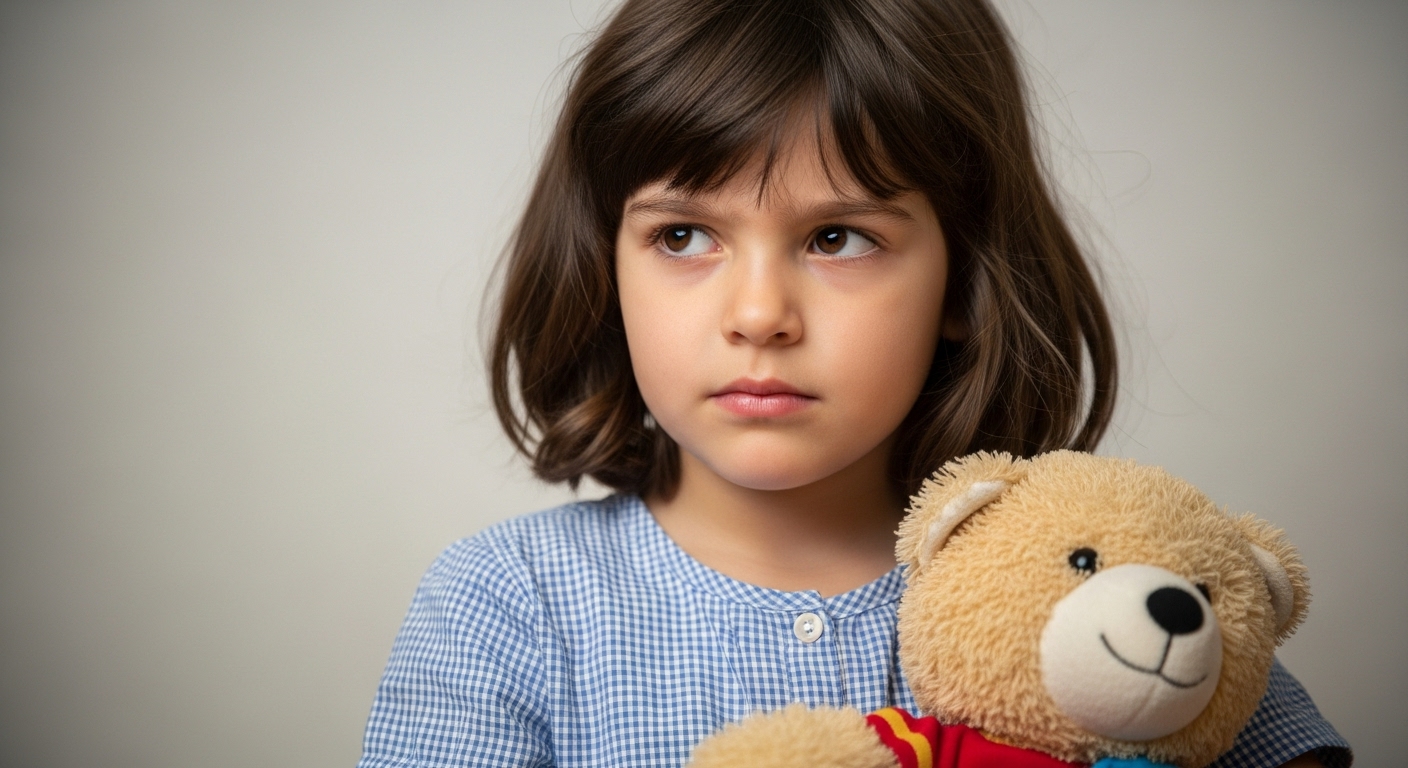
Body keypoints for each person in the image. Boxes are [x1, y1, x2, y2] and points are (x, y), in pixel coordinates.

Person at [357, 1, 1350, 766]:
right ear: (604, 267)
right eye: (683, 236)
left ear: (961, 276)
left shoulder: (1110, 579)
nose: (758, 314)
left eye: (836, 238)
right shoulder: (506, 607)